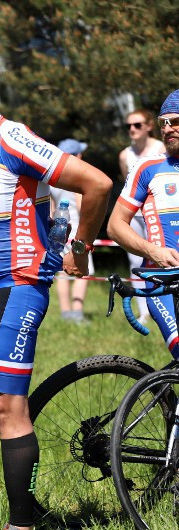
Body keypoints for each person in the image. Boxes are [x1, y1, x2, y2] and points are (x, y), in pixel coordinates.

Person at [0, 69, 111, 530]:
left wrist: (81, 247)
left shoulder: (13, 139)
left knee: (5, 405)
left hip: (14, 287)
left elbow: (97, 183)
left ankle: (23, 529)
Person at [107, 89, 179, 357]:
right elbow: (115, 225)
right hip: (164, 282)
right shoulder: (148, 167)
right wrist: (153, 251)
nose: (167, 129)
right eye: (163, 123)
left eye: (175, 121)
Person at [118, 109, 166, 323]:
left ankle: (166, 305)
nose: (132, 129)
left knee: (165, 257)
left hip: (160, 213)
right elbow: (128, 188)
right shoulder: (124, 155)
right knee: (136, 259)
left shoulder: (161, 148)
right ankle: (144, 310)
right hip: (136, 215)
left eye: (137, 125)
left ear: (149, 126)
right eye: (128, 125)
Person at [52, 138, 93, 324]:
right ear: (78, 156)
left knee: (62, 272)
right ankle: (77, 313)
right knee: (82, 271)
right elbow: (82, 205)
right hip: (77, 231)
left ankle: (65, 312)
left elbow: (52, 207)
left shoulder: (53, 179)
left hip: (59, 229)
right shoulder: (79, 178)